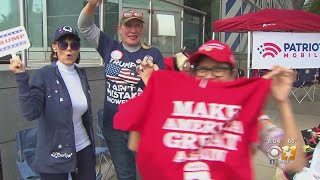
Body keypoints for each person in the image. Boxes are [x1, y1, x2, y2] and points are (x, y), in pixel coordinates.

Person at [114, 40, 306, 179]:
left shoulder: (249, 116)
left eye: (218, 69)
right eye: (202, 69)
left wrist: (283, 103)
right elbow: (137, 145)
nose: (209, 76)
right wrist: (154, 95)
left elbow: (292, 162)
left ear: (233, 75)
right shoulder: (177, 109)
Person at [78, 1, 165, 179]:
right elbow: (84, 26)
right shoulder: (109, 47)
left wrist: (150, 80)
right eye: (128, 25)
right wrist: (92, 4)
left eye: (137, 25)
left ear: (142, 29)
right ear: (119, 28)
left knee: (147, 173)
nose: (133, 30)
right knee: (125, 175)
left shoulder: (153, 54)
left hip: (142, 128)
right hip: (114, 127)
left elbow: (162, 93)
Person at [9, 25, 96, 180]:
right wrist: (21, 77)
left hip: (83, 148)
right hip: (54, 154)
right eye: (63, 44)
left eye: (74, 44)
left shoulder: (81, 74)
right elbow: (30, 112)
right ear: (55, 47)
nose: (69, 49)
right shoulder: (43, 75)